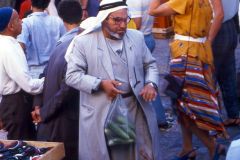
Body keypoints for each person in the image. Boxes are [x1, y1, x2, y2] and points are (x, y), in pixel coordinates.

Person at [65, 0, 161, 159]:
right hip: (109, 110)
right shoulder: (84, 42)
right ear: (103, 19)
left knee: (144, 153)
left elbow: (150, 65)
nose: (123, 25)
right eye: (117, 20)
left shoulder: (136, 37)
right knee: (121, 154)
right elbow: (72, 76)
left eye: (126, 19)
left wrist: (151, 84)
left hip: (136, 106)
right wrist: (100, 84)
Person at [149, 0, 228, 159]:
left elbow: (153, 11)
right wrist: (208, 41)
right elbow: (219, 14)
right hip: (200, 52)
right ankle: (187, 147)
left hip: (185, 56)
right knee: (188, 103)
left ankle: (212, 146)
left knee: (184, 105)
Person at [31, 1, 83, 159]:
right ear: (82, 16)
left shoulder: (61, 45)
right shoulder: (74, 46)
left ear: (61, 18)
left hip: (52, 120)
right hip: (62, 123)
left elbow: (45, 77)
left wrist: (38, 106)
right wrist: (43, 111)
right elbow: (68, 88)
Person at [127, 0, 172, 130]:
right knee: (147, 79)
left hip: (140, 39)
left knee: (143, 80)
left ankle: (157, 118)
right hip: (149, 37)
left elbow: (137, 23)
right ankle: (159, 118)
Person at [0, 7, 44, 140]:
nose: (22, 22)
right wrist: (48, 80)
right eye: (18, 19)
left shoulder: (7, 44)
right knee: (21, 146)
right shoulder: (8, 48)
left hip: (14, 103)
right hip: (16, 105)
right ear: (10, 26)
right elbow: (28, 84)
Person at [17, 0, 65, 79]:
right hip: (54, 70)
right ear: (47, 4)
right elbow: (65, 45)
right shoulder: (57, 21)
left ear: (31, 4)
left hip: (33, 73)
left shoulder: (26, 22)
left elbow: (20, 48)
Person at [212, 0, 240, 127]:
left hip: (216, 27)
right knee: (228, 75)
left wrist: (208, 41)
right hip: (230, 25)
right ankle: (233, 114)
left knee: (209, 79)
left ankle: (212, 120)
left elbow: (219, 14)